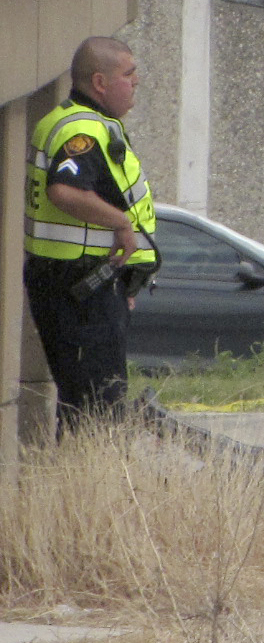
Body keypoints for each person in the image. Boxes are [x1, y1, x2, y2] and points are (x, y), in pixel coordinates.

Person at [23, 36, 158, 427]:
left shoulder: (74, 121)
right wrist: (121, 223)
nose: (136, 82)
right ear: (99, 82)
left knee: (87, 403)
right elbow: (63, 190)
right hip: (81, 287)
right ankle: (86, 479)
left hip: (85, 283)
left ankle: (81, 479)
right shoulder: (82, 131)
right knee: (98, 408)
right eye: (128, 74)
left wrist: (125, 284)